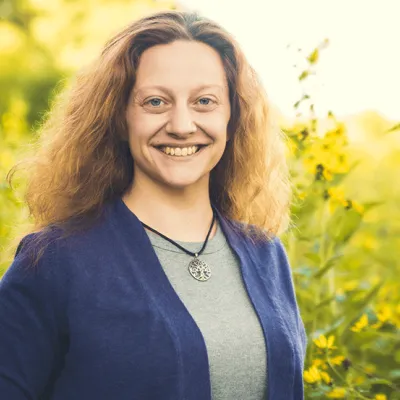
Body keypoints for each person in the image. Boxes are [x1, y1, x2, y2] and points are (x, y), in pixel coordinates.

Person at [0, 10, 307, 400]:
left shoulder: (266, 255)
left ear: (233, 116)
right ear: (119, 116)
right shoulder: (55, 261)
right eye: (156, 102)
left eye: (205, 101)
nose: (181, 124)